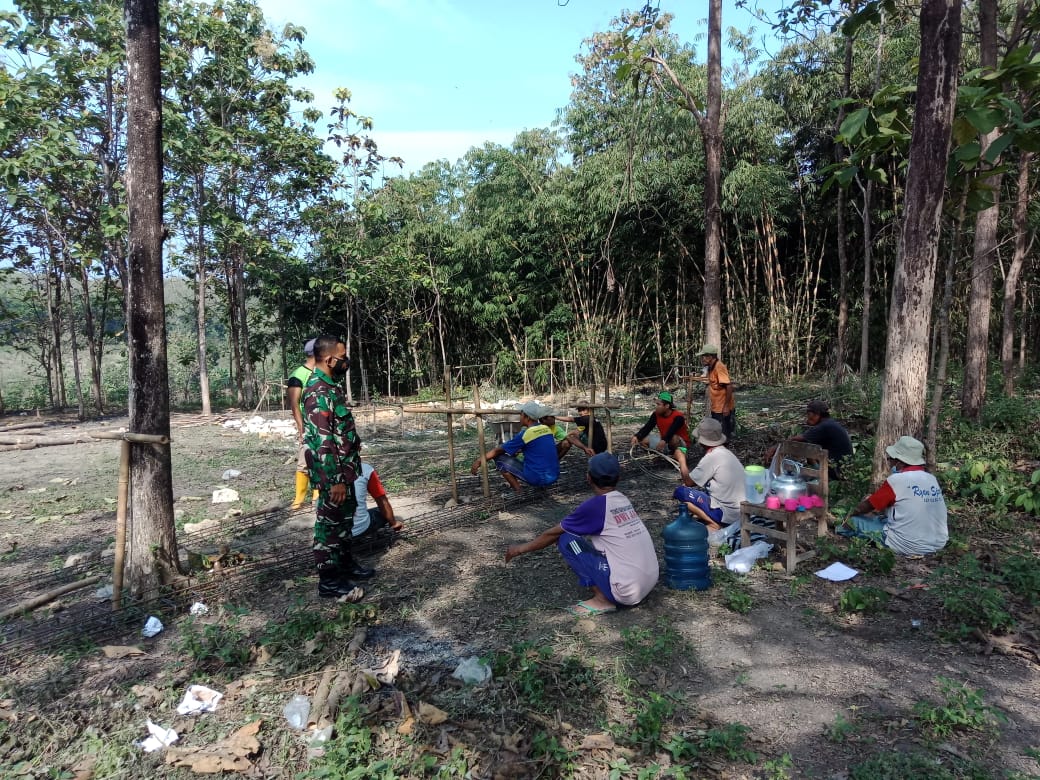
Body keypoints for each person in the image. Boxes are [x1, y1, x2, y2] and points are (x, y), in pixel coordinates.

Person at [504, 453, 658, 616]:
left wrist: (519, 549)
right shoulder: (622, 499)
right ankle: (611, 586)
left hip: (627, 591)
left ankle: (602, 599)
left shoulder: (596, 506)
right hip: (648, 582)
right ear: (618, 478)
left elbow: (552, 534)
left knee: (566, 539)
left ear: (588, 478)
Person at [302, 336, 371, 601]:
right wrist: (335, 481)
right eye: (343, 358)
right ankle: (329, 580)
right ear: (330, 360)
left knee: (345, 520)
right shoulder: (318, 391)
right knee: (329, 525)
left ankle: (345, 565)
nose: (346, 362)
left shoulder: (331, 386)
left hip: (346, 470)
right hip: (333, 475)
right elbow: (322, 441)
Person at [840, 436, 948, 556]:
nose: (890, 462)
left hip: (907, 544)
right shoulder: (931, 478)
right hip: (938, 543)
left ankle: (838, 530)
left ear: (899, 462)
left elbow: (868, 506)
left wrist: (853, 513)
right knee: (882, 520)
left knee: (853, 522)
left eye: (891, 459)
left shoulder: (896, 480)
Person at [673, 418, 746, 532]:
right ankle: (710, 518)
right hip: (741, 511)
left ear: (702, 440)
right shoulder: (725, 452)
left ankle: (714, 524)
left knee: (681, 492)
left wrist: (682, 460)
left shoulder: (711, 458)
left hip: (728, 513)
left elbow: (688, 482)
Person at [471, 401, 560, 493]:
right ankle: (540, 486)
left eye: (521, 414)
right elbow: (536, 447)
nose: (520, 417)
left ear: (527, 417)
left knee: (499, 458)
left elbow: (498, 451)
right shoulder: (546, 429)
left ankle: (519, 491)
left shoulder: (526, 434)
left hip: (538, 478)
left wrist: (479, 461)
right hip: (553, 476)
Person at [766, 400, 853, 480]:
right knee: (809, 447)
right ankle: (817, 470)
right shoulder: (830, 423)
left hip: (836, 471)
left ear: (817, 414)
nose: (807, 417)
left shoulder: (824, 426)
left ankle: (821, 477)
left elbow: (796, 440)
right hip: (845, 469)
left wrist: (776, 447)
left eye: (809, 414)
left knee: (796, 476)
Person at [351, 442, 405, 540]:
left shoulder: (321, 470)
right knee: (383, 512)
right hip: (357, 530)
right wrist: (394, 523)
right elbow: (382, 501)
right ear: (359, 449)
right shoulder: (365, 469)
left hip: (328, 533)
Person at [287, 338, 317, 509]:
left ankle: (317, 495)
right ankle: (299, 499)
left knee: (320, 461)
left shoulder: (322, 373)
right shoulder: (298, 376)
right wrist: (301, 429)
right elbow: (294, 404)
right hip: (308, 426)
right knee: (304, 461)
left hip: (322, 425)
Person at [691, 344, 736, 441]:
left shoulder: (719, 368)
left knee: (724, 434)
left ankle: (724, 451)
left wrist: (726, 406)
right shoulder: (711, 367)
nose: (702, 359)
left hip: (723, 408)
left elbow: (728, 386)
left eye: (703, 356)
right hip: (716, 406)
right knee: (718, 432)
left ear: (710, 357)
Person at [630, 391, 689, 456]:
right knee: (643, 440)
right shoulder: (656, 415)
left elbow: (671, 431)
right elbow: (648, 427)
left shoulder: (678, 417)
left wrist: (664, 440)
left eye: (658, 404)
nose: (656, 407)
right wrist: (637, 436)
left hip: (680, 444)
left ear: (667, 406)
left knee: (673, 438)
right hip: (664, 440)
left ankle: (678, 455)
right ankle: (661, 455)